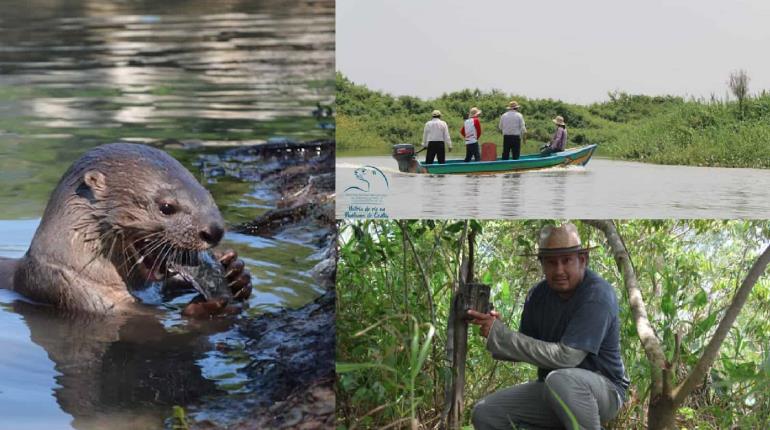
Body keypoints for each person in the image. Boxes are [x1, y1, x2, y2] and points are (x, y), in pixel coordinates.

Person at [469, 223, 628, 430]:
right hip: (554, 388)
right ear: (542, 264)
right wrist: (496, 331)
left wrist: (503, 336)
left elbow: (567, 357)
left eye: (566, 261)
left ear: (583, 260)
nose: (559, 270)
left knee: (560, 380)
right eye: (551, 262)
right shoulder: (537, 295)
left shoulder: (597, 295)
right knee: (485, 413)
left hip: (605, 390)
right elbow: (524, 348)